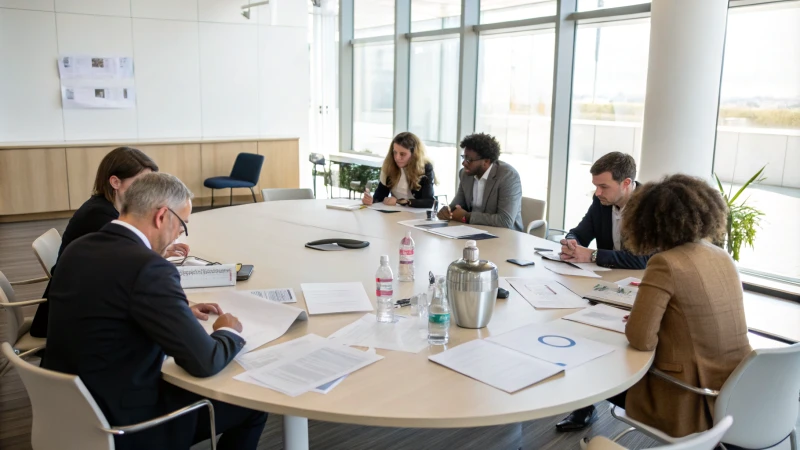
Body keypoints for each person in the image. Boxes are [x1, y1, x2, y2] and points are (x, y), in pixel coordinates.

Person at [44, 172, 267, 450]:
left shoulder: (78, 249)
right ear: (162, 216)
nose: (178, 235)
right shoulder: (149, 267)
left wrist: (177, 309)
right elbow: (205, 361)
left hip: (66, 409)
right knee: (250, 405)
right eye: (181, 225)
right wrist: (226, 330)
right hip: (123, 425)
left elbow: (111, 306)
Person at [609, 174, 751, 437]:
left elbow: (641, 340)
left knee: (604, 372)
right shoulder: (723, 257)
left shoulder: (665, 263)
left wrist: (642, 323)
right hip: (737, 389)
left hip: (688, 397)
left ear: (647, 222)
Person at [30, 146, 188, 338]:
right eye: (142, 182)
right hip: (75, 323)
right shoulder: (100, 216)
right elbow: (127, 271)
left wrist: (159, 249)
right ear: (115, 181)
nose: (148, 190)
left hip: (74, 310)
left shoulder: (106, 208)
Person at [556, 152, 652, 432]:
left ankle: (615, 388)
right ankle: (584, 401)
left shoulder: (651, 206)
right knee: (577, 323)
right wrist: (571, 243)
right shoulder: (601, 202)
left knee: (609, 337)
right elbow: (580, 231)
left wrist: (594, 255)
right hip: (608, 284)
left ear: (626, 183)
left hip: (642, 287)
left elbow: (644, 259)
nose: (597, 192)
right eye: (595, 186)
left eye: (603, 186)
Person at [437, 133, 523, 231]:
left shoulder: (508, 176)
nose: (464, 163)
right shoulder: (465, 174)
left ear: (486, 161)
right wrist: (447, 211)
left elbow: (505, 221)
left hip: (505, 236)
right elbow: (457, 205)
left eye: (469, 159)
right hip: (473, 230)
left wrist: (467, 216)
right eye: (463, 157)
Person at [362, 131, 437, 208]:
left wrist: (401, 202)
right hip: (395, 213)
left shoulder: (425, 167)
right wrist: (371, 200)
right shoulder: (389, 165)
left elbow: (429, 202)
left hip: (417, 216)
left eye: (402, 154)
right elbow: (380, 195)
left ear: (414, 154)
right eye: (395, 152)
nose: (397, 158)